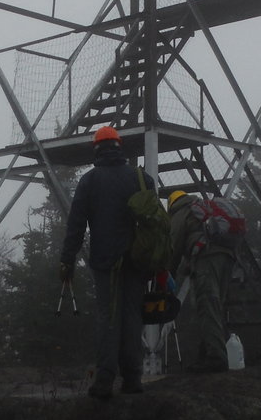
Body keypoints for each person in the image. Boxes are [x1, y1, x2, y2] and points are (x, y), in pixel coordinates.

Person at [59, 125, 152, 399]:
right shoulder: (141, 178)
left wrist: (67, 261)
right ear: (119, 146)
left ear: (96, 149)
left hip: (105, 260)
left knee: (108, 317)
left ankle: (104, 380)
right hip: (137, 260)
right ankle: (133, 378)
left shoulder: (90, 181)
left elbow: (76, 225)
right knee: (133, 317)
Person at [167, 189, 236, 373]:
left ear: (171, 204)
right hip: (226, 256)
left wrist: (168, 275)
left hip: (208, 258)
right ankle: (207, 352)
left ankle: (216, 358)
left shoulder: (182, 212)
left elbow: (174, 245)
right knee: (215, 305)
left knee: (207, 304)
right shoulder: (201, 208)